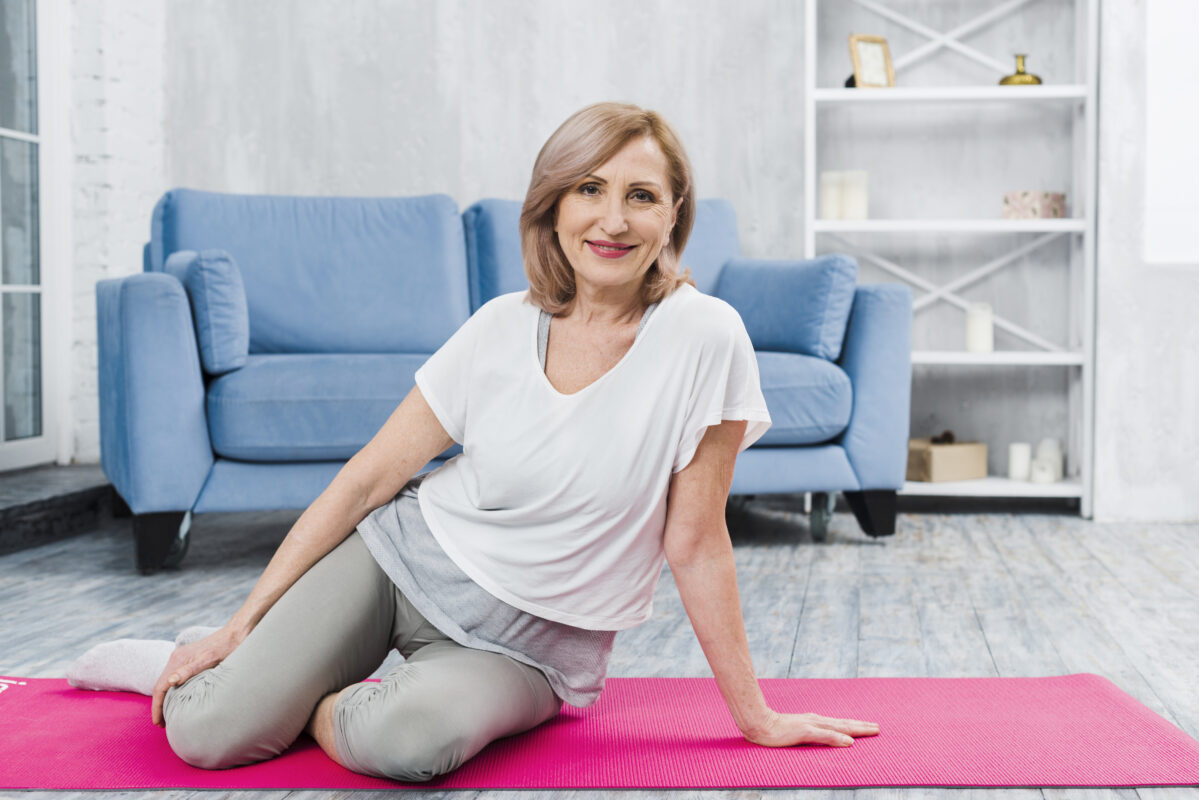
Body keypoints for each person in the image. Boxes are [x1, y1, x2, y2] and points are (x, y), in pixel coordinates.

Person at [70, 102, 879, 782]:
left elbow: (696, 543)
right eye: (588, 189)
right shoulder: (499, 327)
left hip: (530, 650)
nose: (612, 218)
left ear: (674, 213)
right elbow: (365, 481)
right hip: (399, 565)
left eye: (641, 195)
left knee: (408, 744)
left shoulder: (707, 337)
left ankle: (299, 691)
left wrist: (756, 717)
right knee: (208, 735)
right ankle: (215, 665)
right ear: (554, 206)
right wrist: (240, 625)